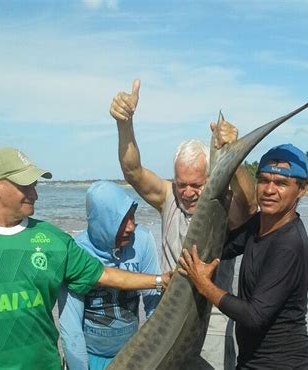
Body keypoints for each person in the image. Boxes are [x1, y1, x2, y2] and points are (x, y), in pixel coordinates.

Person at [0, 147, 172, 370]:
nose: (34, 194)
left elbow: (102, 274)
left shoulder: (52, 239)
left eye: (34, 185)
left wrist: (160, 280)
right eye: (24, 186)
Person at [110, 79, 257, 369]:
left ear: (210, 178)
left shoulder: (225, 205)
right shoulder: (168, 196)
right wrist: (124, 125)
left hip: (210, 317)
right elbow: (132, 170)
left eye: (197, 185)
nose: (188, 193)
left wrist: (234, 158)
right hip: (167, 313)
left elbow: (250, 206)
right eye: (182, 184)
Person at [179, 143, 308, 369]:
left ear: (301, 189)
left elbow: (254, 316)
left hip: (282, 363)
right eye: (263, 180)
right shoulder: (259, 224)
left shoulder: (289, 244)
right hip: (252, 360)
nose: (269, 190)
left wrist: (204, 284)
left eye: (281, 183)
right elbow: (223, 249)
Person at [58, 181, 161, 370]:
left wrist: (156, 352)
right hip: (91, 357)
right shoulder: (76, 251)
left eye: (132, 217)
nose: (131, 227)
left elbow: (154, 304)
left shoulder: (143, 240)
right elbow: (71, 329)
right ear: (103, 223)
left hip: (133, 354)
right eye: (122, 221)